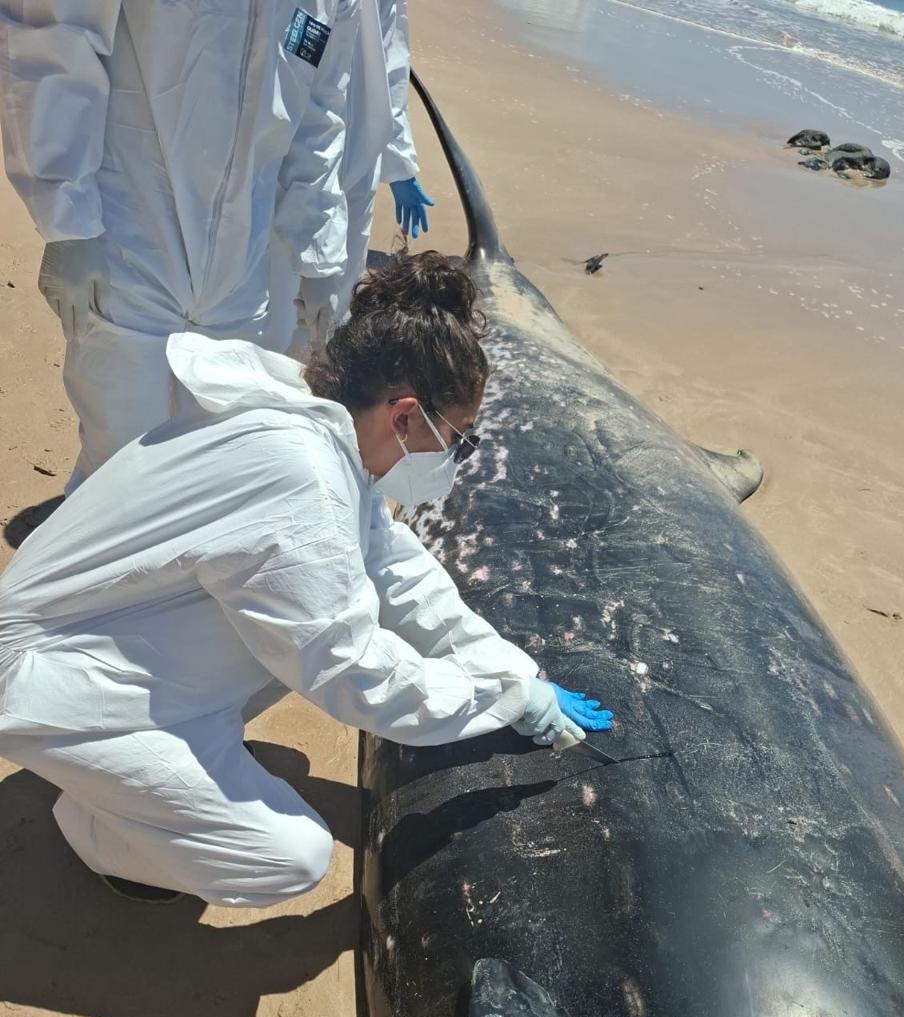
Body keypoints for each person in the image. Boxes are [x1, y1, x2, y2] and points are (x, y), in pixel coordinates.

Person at [0, 252, 612, 908]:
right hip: (48, 677)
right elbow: (356, 676)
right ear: (405, 416)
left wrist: (512, 670)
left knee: (303, 631)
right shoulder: (301, 482)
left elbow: (396, 570)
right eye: (456, 439)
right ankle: (95, 825)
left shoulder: (309, 427)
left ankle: (123, 777)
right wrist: (498, 698)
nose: (452, 459)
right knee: (286, 857)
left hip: (100, 632)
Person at [0, 0, 386, 492]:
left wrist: (320, 250)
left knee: (211, 453)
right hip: (131, 231)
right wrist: (68, 215)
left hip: (244, 265)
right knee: (116, 452)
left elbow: (320, 112)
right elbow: (57, 34)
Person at [295, 0, 434, 349]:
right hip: (286, 153)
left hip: (359, 156)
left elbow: (390, 67)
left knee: (338, 307)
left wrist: (399, 163)